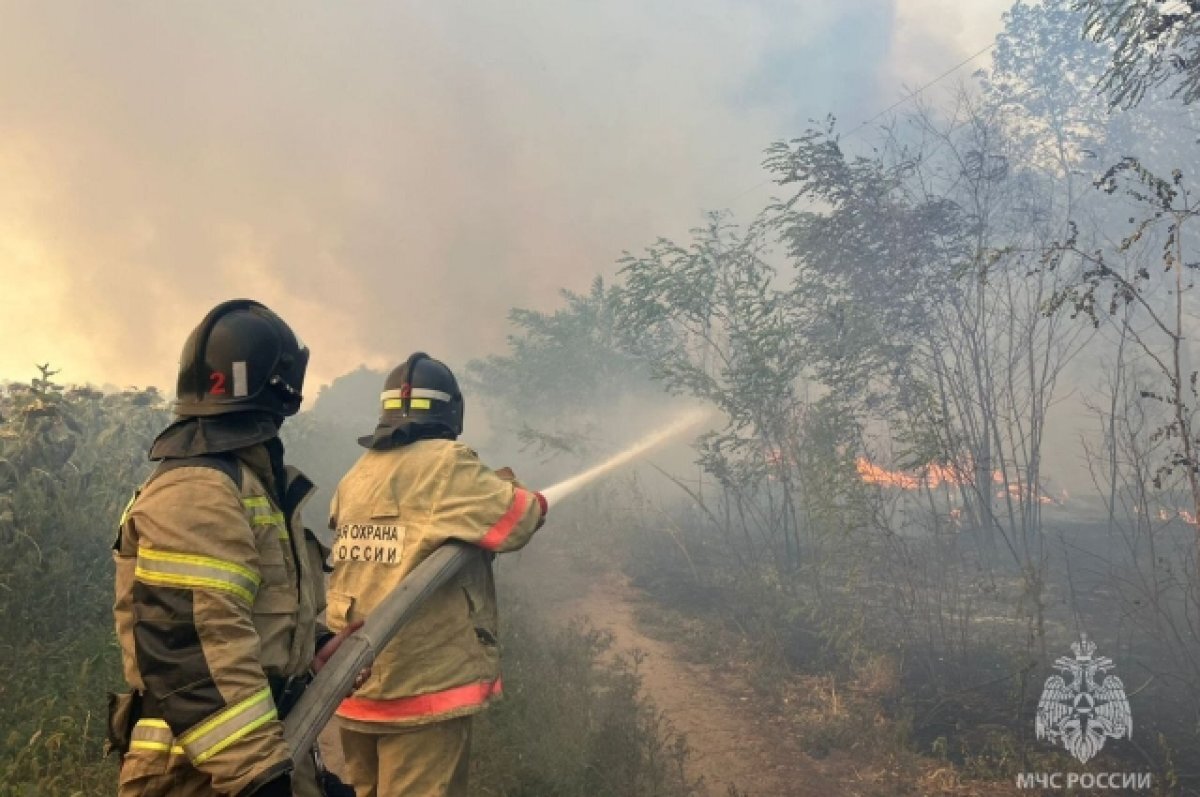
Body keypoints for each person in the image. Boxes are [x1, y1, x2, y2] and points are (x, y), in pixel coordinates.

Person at [109, 299, 358, 797]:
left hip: (248, 756)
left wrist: (310, 650)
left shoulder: (244, 483)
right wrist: (265, 782)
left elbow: (246, 616)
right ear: (281, 385)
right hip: (202, 774)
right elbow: (193, 655)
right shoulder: (199, 490)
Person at [326, 352, 548, 797]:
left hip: (353, 682)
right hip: (421, 689)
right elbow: (519, 519)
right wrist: (522, 491)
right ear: (452, 409)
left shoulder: (358, 474)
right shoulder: (445, 464)